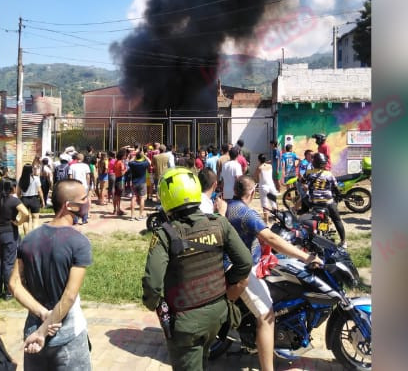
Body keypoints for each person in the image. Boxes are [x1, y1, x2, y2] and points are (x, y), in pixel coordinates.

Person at [142, 168, 252, 371]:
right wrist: (224, 283)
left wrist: (154, 304)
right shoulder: (219, 223)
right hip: (218, 314)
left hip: (186, 322)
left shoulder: (165, 234)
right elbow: (245, 262)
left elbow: (152, 284)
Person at [225, 176, 323, 371]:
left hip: (239, 263)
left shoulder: (229, 205)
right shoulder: (246, 213)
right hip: (238, 269)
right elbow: (269, 237)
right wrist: (306, 257)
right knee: (266, 315)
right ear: (253, 193)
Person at [11, 180, 93, 371]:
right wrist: (44, 329)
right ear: (68, 206)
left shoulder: (29, 239)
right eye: (84, 198)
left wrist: (41, 314)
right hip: (68, 337)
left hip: (32, 335)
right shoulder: (79, 242)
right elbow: (69, 296)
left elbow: (14, 284)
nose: (88, 201)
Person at [303, 152, 347, 248]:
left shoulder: (308, 173)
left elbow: (302, 181)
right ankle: (343, 242)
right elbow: (335, 188)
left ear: (314, 163)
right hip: (328, 203)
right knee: (337, 220)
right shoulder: (329, 174)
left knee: (308, 214)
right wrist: (339, 195)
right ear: (324, 163)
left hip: (314, 203)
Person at [0, 179, 30, 300]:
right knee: (8, 262)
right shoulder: (13, 200)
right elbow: (26, 213)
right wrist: (18, 222)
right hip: (9, 233)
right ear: (13, 188)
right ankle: (8, 291)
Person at [18, 163, 45, 233]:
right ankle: (34, 236)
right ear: (31, 170)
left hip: (24, 200)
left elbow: (18, 193)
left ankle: (26, 236)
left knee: (25, 220)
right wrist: (43, 201)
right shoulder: (36, 179)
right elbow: (40, 191)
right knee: (35, 220)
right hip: (34, 199)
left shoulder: (20, 179)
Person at [254, 154, 278, 226]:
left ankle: (266, 221)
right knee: (273, 202)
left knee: (265, 204)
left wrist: (258, 182)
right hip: (271, 185)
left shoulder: (259, 167)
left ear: (259, 160)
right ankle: (276, 218)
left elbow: (255, 176)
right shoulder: (270, 166)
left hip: (263, 186)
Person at [127, 148, 151, 221]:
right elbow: (150, 162)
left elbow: (129, 161)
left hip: (134, 182)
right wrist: (144, 156)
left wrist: (135, 156)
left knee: (133, 198)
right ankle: (140, 215)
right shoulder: (144, 164)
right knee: (142, 198)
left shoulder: (133, 163)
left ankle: (132, 216)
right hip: (142, 183)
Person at [68, 154, 92, 225]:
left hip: (75, 186)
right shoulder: (85, 166)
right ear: (83, 158)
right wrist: (87, 185)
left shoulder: (72, 166)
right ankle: (84, 219)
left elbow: (70, 177)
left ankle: (75, 219)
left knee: (75, 202)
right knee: (84, 202)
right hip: (83, 186)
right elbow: (88, 176)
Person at [112, 149, 126, 216]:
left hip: (116, 178)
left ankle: (115, 209)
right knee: (118, 196)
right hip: (120, 180)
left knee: (115, 195)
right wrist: (126, 169)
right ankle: (118, 210)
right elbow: (122, 173)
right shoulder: (121, 163)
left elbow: (114, 171)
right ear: (122, 156)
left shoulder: (116, 162)